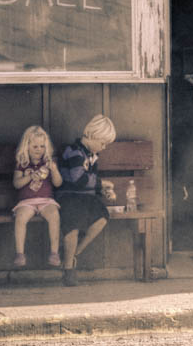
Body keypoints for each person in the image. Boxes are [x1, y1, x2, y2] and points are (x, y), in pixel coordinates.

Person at [56, 114, 117, 286]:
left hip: (84, 197)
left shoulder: (91, 155)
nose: (104, 147)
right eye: (102, 143)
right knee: (73, 225)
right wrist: (102, 182)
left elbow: (90, 182)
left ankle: (74, 253)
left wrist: (103, 190)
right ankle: (68, 269)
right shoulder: (74, 151)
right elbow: (78, 180)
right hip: (68, 196)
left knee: (102, 217)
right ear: (91, 135)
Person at [12, 125, 63, 268]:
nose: (39, 150)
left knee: (54, 215)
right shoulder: (22, 163)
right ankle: (20, 253)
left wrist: (54, 170)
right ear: (26, 146)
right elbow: (16, 183)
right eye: (35, 146)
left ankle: (54, 253)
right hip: (26, 202)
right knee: (20, 217)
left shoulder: (48, 162)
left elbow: (58, 183)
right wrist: (29, 177)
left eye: (42, 146)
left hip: (46, 200)